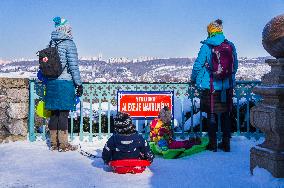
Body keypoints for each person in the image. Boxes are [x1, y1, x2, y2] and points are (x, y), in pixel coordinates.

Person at [191, 19, 238, 152]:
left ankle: (212, 144)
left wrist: (194, 79)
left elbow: (198, 65)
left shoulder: (207, 46)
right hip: (226, 87)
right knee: (225, 115)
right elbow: (235, 66)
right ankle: (226, 143)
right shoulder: (230, 45)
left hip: (210, 87)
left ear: (209, 32)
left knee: (212, 115)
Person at [45, 17, 83, 152]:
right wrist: (78, 84)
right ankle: (64, 144)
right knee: (63, 114)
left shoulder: (51, 42)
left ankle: (54, 143)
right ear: (66, 29)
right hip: (64, 83)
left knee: (54, 113)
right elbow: (73, 67)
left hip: (51, 82)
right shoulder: (69, 44)